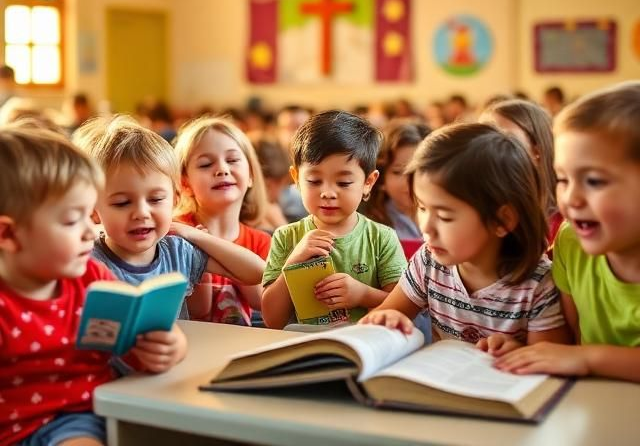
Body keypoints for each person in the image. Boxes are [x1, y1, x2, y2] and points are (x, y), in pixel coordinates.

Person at [0, 125, 186, 445]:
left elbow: (138, 333)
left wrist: (170, 345)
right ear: (8, 235)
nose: (90, 232)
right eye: (73, 220)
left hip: (76, 419)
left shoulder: (92, 277)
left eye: (90, 215)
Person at [360, 123, 570, 351]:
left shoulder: (538, 285)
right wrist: (387, 320)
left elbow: (549, 361)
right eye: (421, 208)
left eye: (445, 216)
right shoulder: (428, 262)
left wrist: (517, 349)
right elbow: (381, 317)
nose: (426, 228)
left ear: (502, 221)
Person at [493, 81, 640, 382]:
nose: (571, 199)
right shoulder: (571, 241)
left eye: (595, 181)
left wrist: (587, 358)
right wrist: (528, 348)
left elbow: (579, 354)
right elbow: (572, 341)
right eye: (563, 179)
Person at [72, 115, 265, 321]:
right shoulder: (86, 258)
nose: (142, 213)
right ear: (92, 209)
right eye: (122, 203)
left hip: (176, 353)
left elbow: (257, 271)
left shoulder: (177, 252)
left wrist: (195, 235)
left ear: (174, 200)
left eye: (155, 199)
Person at [261, 110, 407, 329]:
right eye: (314, 180)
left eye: (343, 183)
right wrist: (292, 264)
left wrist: (362, 295)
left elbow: (404, 309)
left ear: (368, 182)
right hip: (305, 347)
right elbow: (272, 320)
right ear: (296, 179)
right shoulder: (287, 237)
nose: (327, 193)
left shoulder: (381, 238)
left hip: (365, 347)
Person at [174, 116, 270, 325]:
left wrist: (212, 245)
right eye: (206, 164)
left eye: (233, 160)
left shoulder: (261, 241)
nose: (222, 169)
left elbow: (261, 301)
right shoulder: (176, 232)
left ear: (251, 174)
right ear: (185, 182)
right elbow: (199, 309)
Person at [479, 99, 563, 245]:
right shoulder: (479, 209)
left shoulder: (566, 222)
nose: (489, 149)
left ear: (537, 150)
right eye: (481, 139)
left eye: (504, 140)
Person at [363, 120, 430, 240]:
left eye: (420, 169)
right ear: (381, 178)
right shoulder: (369, 227)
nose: (410, 180)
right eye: (398, 172)